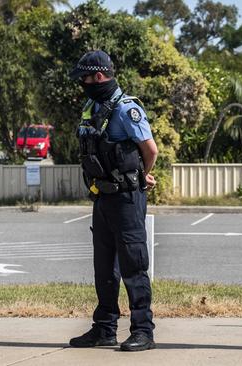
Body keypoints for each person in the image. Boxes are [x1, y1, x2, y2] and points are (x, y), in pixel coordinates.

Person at [68, 50, 158, 352]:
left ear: (99, 76)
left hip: (127, 198)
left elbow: (151, 149)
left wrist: (140, 176)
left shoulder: (126, 109)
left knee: (134, 266)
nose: (83, 83)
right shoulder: (91, 106)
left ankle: (143, 330)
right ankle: (104, 329)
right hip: (102, 197)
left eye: (85, 77)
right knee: (104, 268)